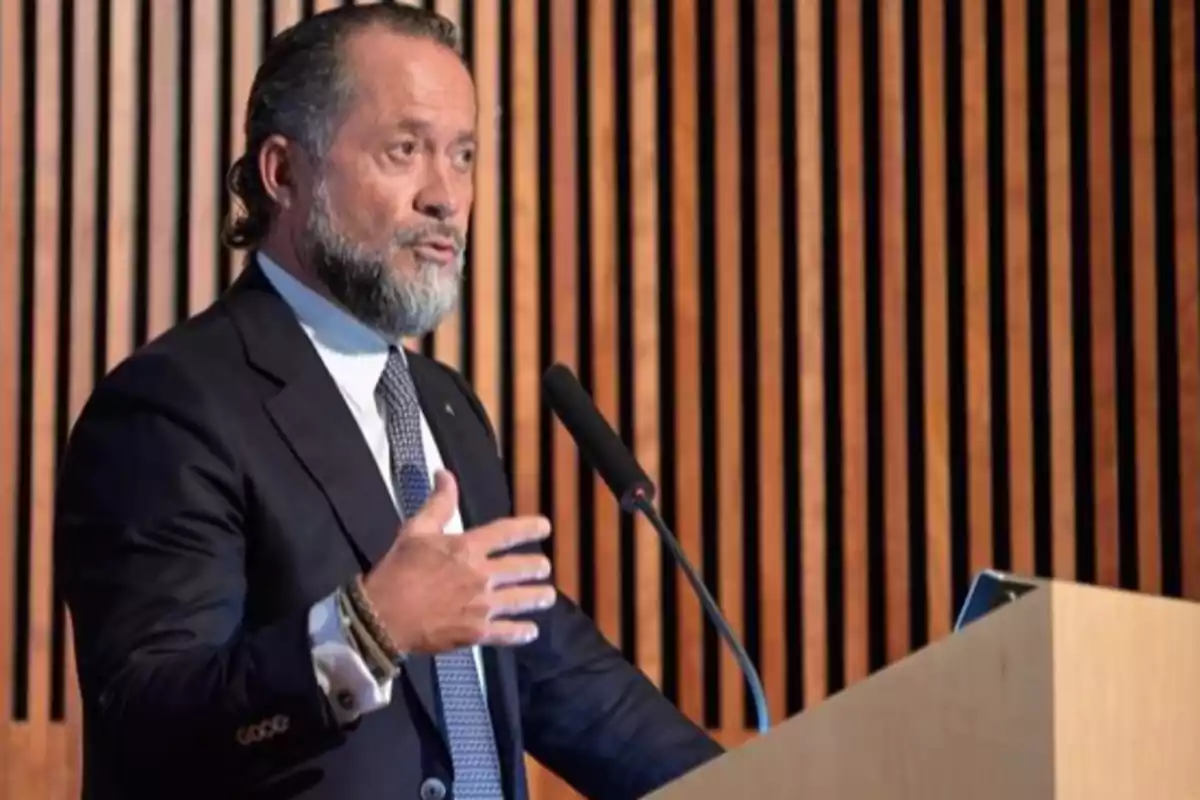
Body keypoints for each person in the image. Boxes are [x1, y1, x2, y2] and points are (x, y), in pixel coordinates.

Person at [53, 5, 722, 799]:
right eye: (405, 150)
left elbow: (551, 673)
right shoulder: (172, 409)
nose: (447, 195)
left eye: (463, 155)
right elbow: (148, 723)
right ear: (283, 173)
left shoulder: (443, 409)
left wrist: (765, 783)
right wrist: (363, 634)